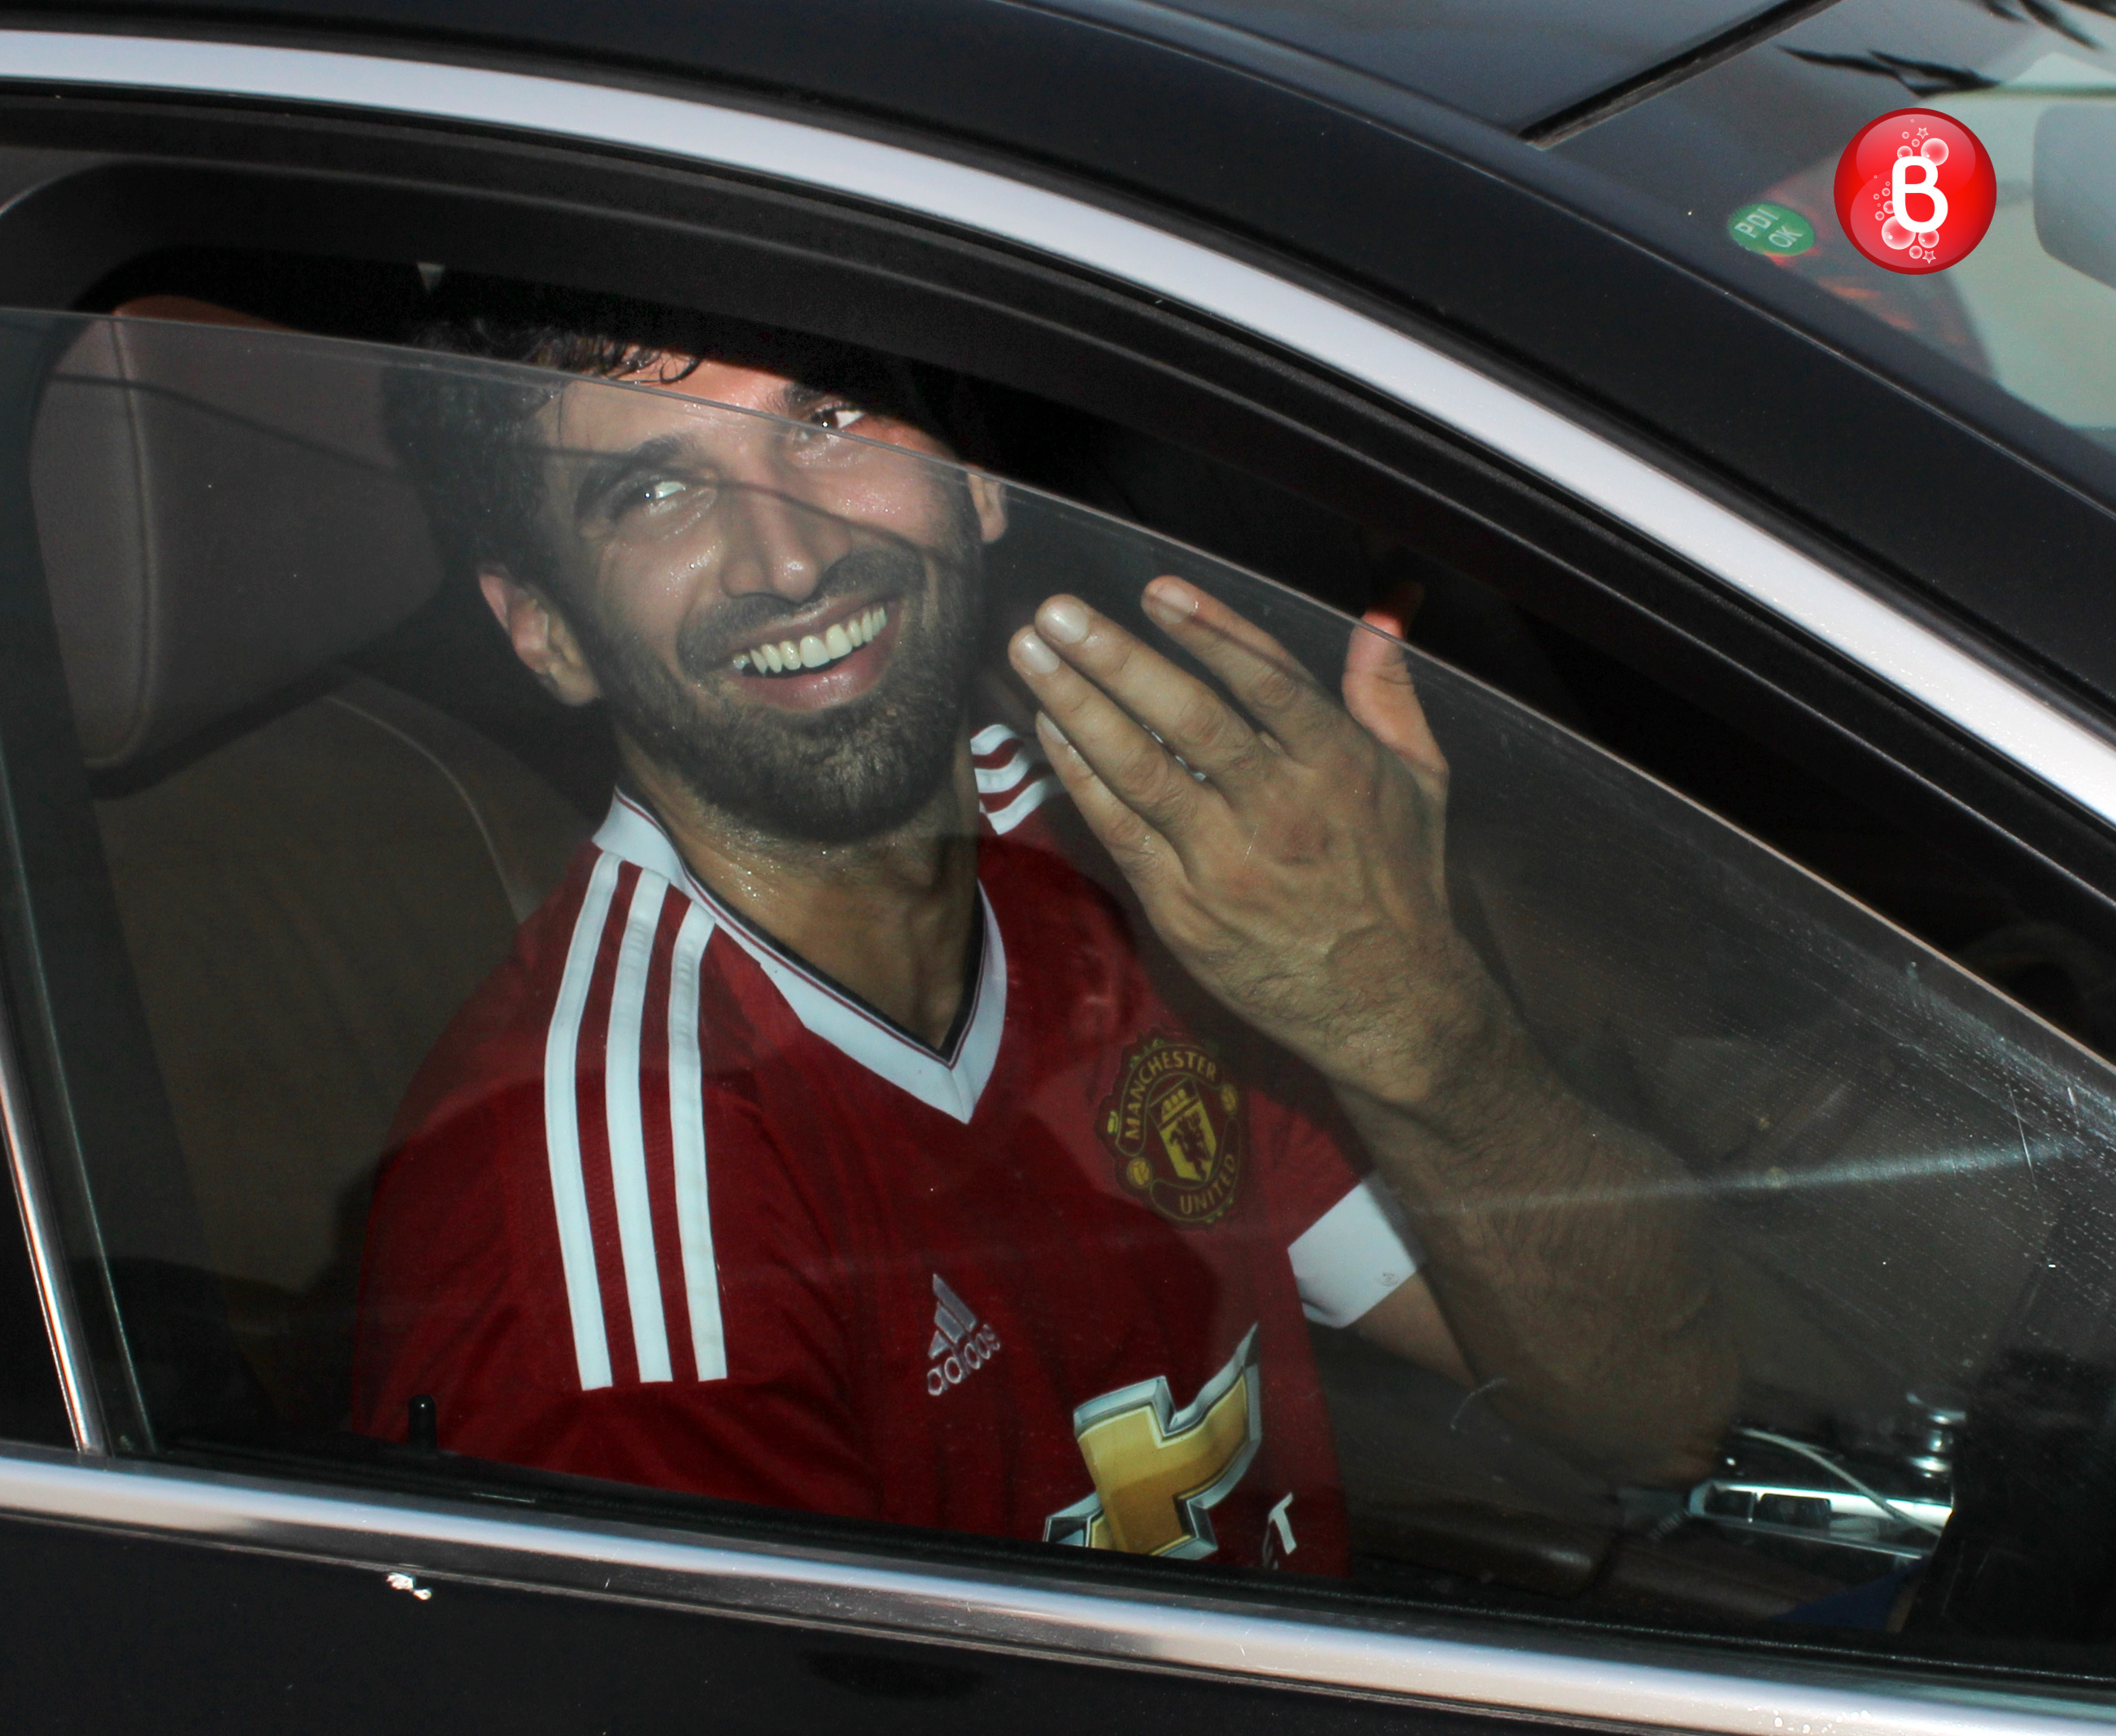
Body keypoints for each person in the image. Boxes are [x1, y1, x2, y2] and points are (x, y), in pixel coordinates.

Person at [354, 294, 1736, 1575]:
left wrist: (1411, 1010)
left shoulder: (1144, 864)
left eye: (827, 419)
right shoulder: (594, 1228)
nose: (791, 553)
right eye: (654, 492)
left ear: (979, 476)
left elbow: (1646, 1418)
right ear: (545, 632)